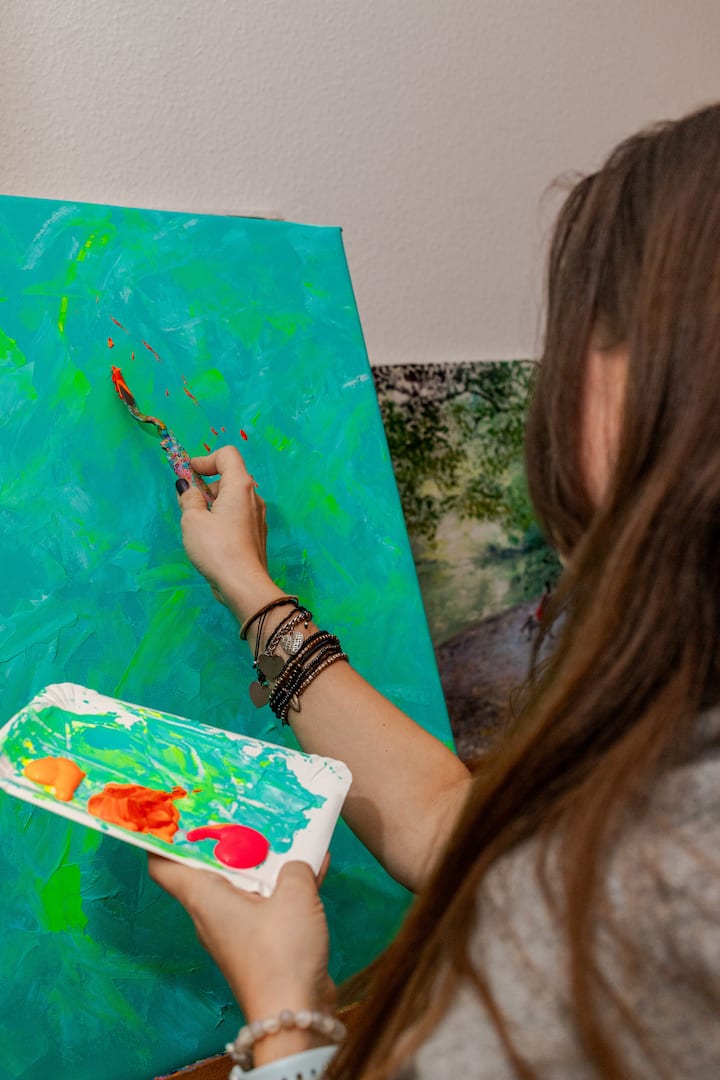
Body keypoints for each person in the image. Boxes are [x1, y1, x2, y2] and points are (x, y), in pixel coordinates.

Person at [149, 102, 720, 1079]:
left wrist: (283, 1004)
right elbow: (455, 825)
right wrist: (249, 586)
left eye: (595, 327)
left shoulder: (659, 888)